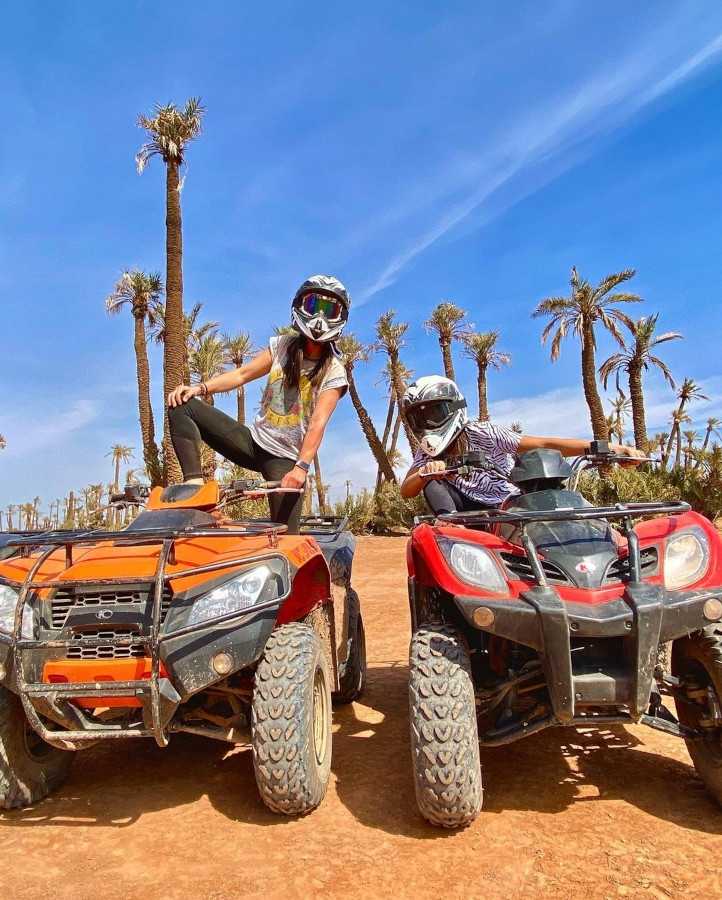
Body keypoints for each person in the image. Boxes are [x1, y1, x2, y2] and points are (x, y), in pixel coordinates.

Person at [167, 275, 350, 533]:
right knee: (182, 404)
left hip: (285, 460)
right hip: (253, 443)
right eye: (313, 306)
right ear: (300, 306)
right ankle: (196, 492)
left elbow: (318, 421)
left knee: (286, 540)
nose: (319, 317)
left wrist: (300, 468)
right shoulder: (283, 346)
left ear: (340, 316)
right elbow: (242, 374)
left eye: (329, 309)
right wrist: (199, 388)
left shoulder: (334, 371)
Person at [399, 375, 644, 515]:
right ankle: (448, 534)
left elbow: (544, 443)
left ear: (453, 407)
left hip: (513, 506)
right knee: (432, 484)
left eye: (433, 412)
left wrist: (611, 449)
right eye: (419, 418)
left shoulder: (485, 432)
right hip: (469, 516)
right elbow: (406, 490)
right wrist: (425, 473)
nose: (427, 422)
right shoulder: (426, 455)